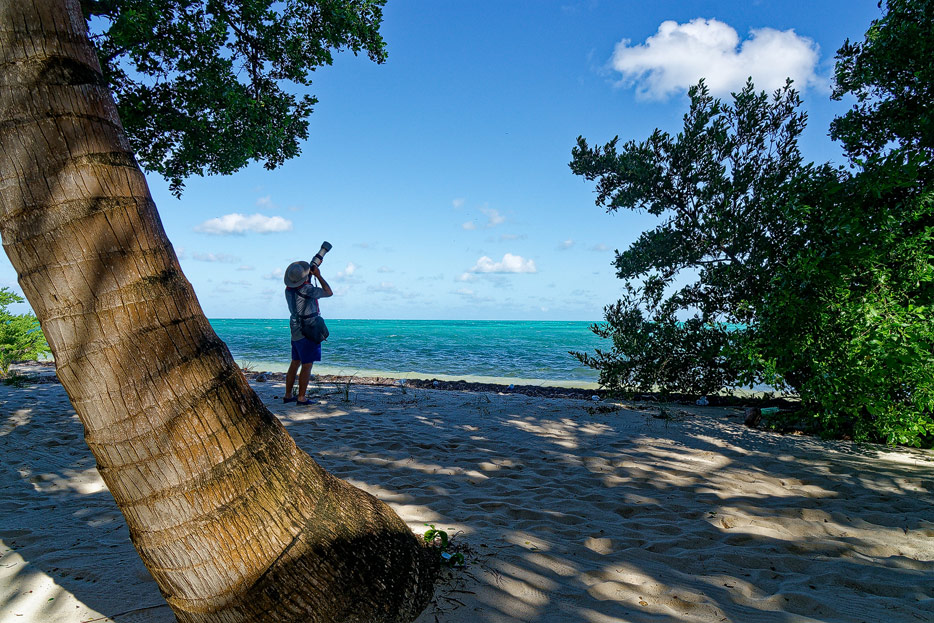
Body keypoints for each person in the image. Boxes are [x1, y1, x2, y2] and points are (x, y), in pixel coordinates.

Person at [283, 260, 333, 404]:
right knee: (307, 364)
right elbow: (328, 292)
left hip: (295, 329)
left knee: (295, 362)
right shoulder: (307, 289)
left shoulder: (288, 290)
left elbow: (300, 285)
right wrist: (319, 275)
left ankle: (288, 395)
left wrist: (309, 276)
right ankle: (301, 397)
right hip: (308, 329)